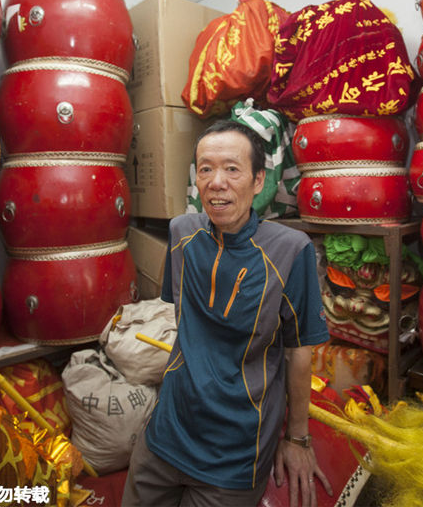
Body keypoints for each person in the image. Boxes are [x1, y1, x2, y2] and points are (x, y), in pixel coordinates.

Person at [122, 120, 332, 507]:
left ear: (257, 181)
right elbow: (184, 320)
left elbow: (298, 350)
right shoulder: (181, 233)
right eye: (205, 169)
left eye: (232, 169)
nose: (216, 182)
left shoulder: (290, 251)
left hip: (234, 451)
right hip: (166, 432)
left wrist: (297, 438)